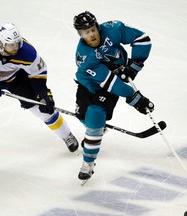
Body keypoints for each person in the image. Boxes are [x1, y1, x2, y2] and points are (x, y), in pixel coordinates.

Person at [0, 22, 79, 155]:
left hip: (16, 80)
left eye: (17, 43)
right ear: (0, 43)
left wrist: (42, 92)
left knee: (43, 110)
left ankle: (67, 135)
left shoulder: (28, 52)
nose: (15, 47)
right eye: (11, 45)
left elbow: (38, 74)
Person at [73, 11, 154, 181]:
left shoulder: (112, 29)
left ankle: (88, 162)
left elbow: (143, 40)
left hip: (110, 84)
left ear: (97, 27)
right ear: (80, 34)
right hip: (89, 82)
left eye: (93, 29)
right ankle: (96, 130)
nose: (92, 34)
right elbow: (114, 85)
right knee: (83, 118)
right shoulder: (85, 56)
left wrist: (134, 65)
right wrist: (136, 98)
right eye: (87, 32)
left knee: (95, 116)